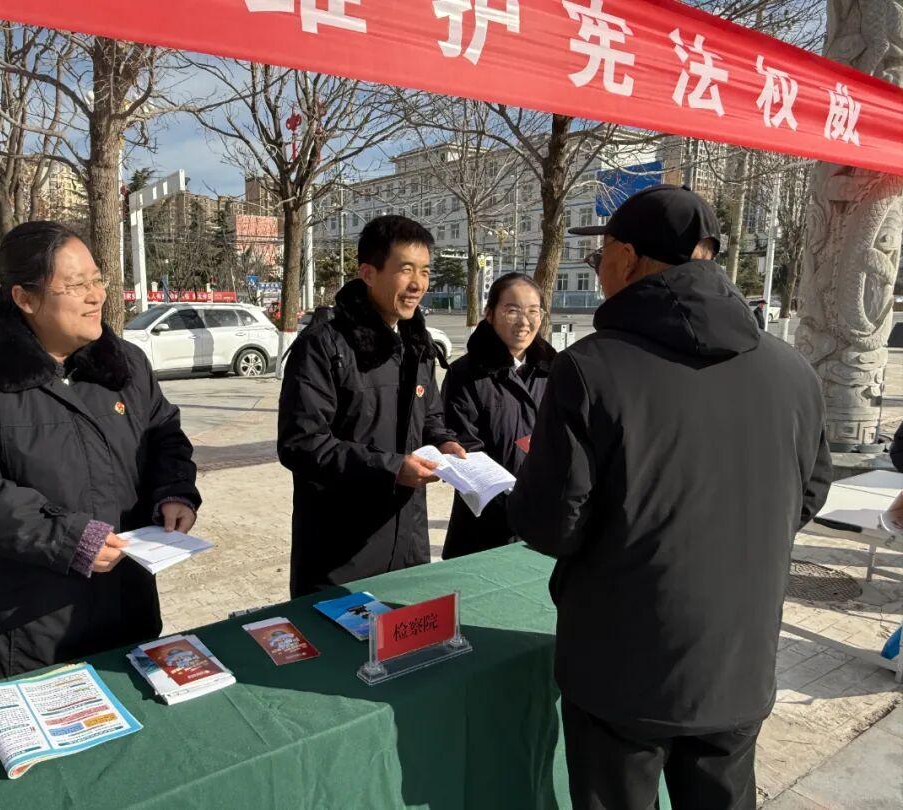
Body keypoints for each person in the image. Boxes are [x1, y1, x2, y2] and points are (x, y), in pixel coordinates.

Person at [506, 185, 833, 810]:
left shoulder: (590, 369)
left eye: (600, 253)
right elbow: (809, 492)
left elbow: (553, 524)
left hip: (621, 668)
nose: (598, 267)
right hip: (738, 661)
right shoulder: (792, 371)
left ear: (628, 257)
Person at [0, 221, 201, 693]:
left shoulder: (124, 364)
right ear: (25, 298)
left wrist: (174, 492)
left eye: (98, 280)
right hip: (18, 631)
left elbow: (164, 435)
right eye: (76, 285)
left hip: (123, 607)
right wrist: (67, 538)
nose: (96, 296)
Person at [278, 215, 465, 597]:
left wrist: (444, 443)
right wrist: (392, 469)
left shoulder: (417, 343)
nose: (418, 284)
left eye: (425, 271)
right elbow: (301, 444)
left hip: (408, 540)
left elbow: (430, 416)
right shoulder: (324, 346)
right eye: (406, 269)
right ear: (368, 273)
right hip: (340, 552)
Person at [440, 273, 556, 559]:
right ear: (489, 314)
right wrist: (514, 499)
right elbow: (464, 449)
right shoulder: (465, 374)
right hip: (483, 528)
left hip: (543, 523)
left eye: (533, 311)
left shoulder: (556, 371)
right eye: (512, 310)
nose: (524, 322)